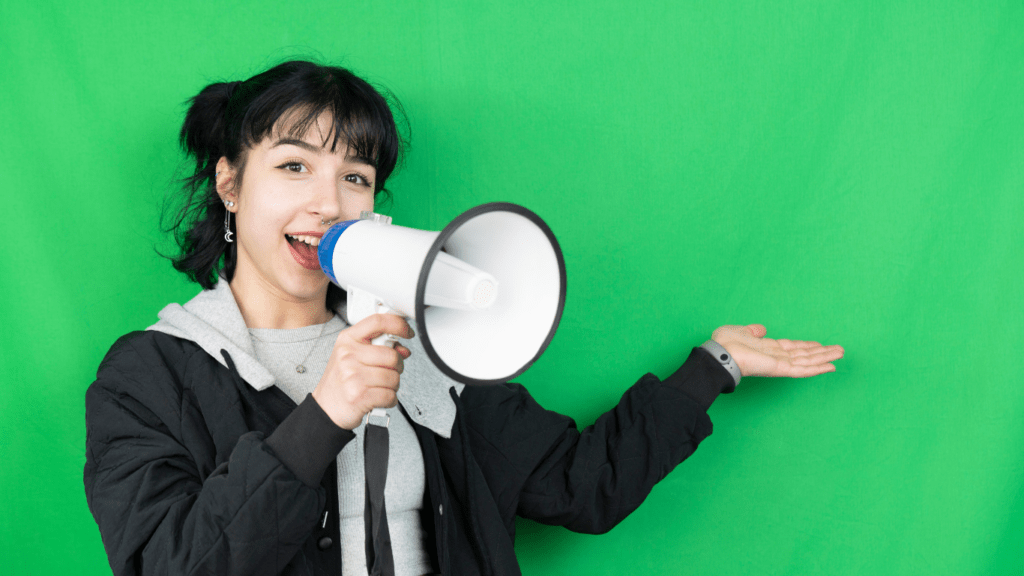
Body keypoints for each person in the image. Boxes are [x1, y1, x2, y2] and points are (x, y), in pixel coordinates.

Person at [83, 60, 845, 576]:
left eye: (356, 175)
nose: (328, 201)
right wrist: (327, 413)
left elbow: (578, 488)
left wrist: (711, 369)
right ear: (229, 184)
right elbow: (165, 563)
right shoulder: (153, 372)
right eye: (293, 166)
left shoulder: (428, 352)